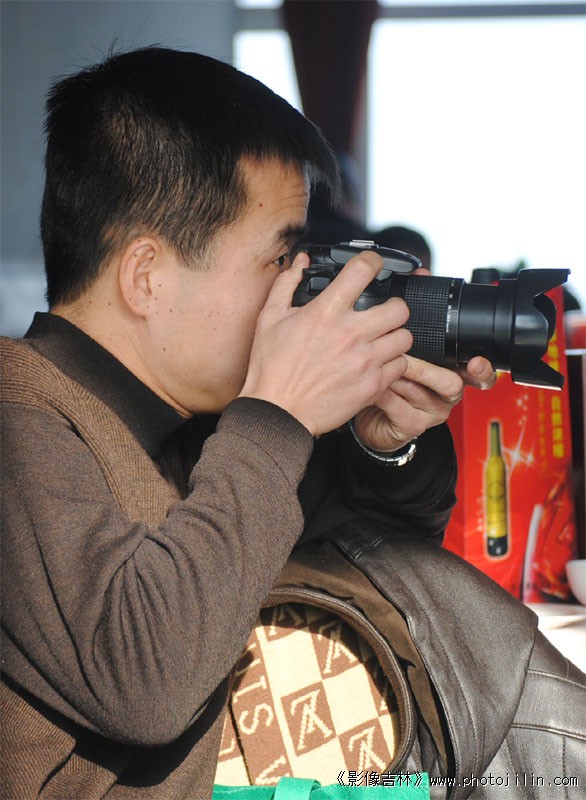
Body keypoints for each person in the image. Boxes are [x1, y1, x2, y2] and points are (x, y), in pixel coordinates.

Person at [0, 47, 496, 799]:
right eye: (282, 257)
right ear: (146, 277)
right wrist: (277, 417)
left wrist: (385, 445)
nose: (297, 290)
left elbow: (370, 565)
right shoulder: (21, 425)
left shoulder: (199, 425)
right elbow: (147, 682)